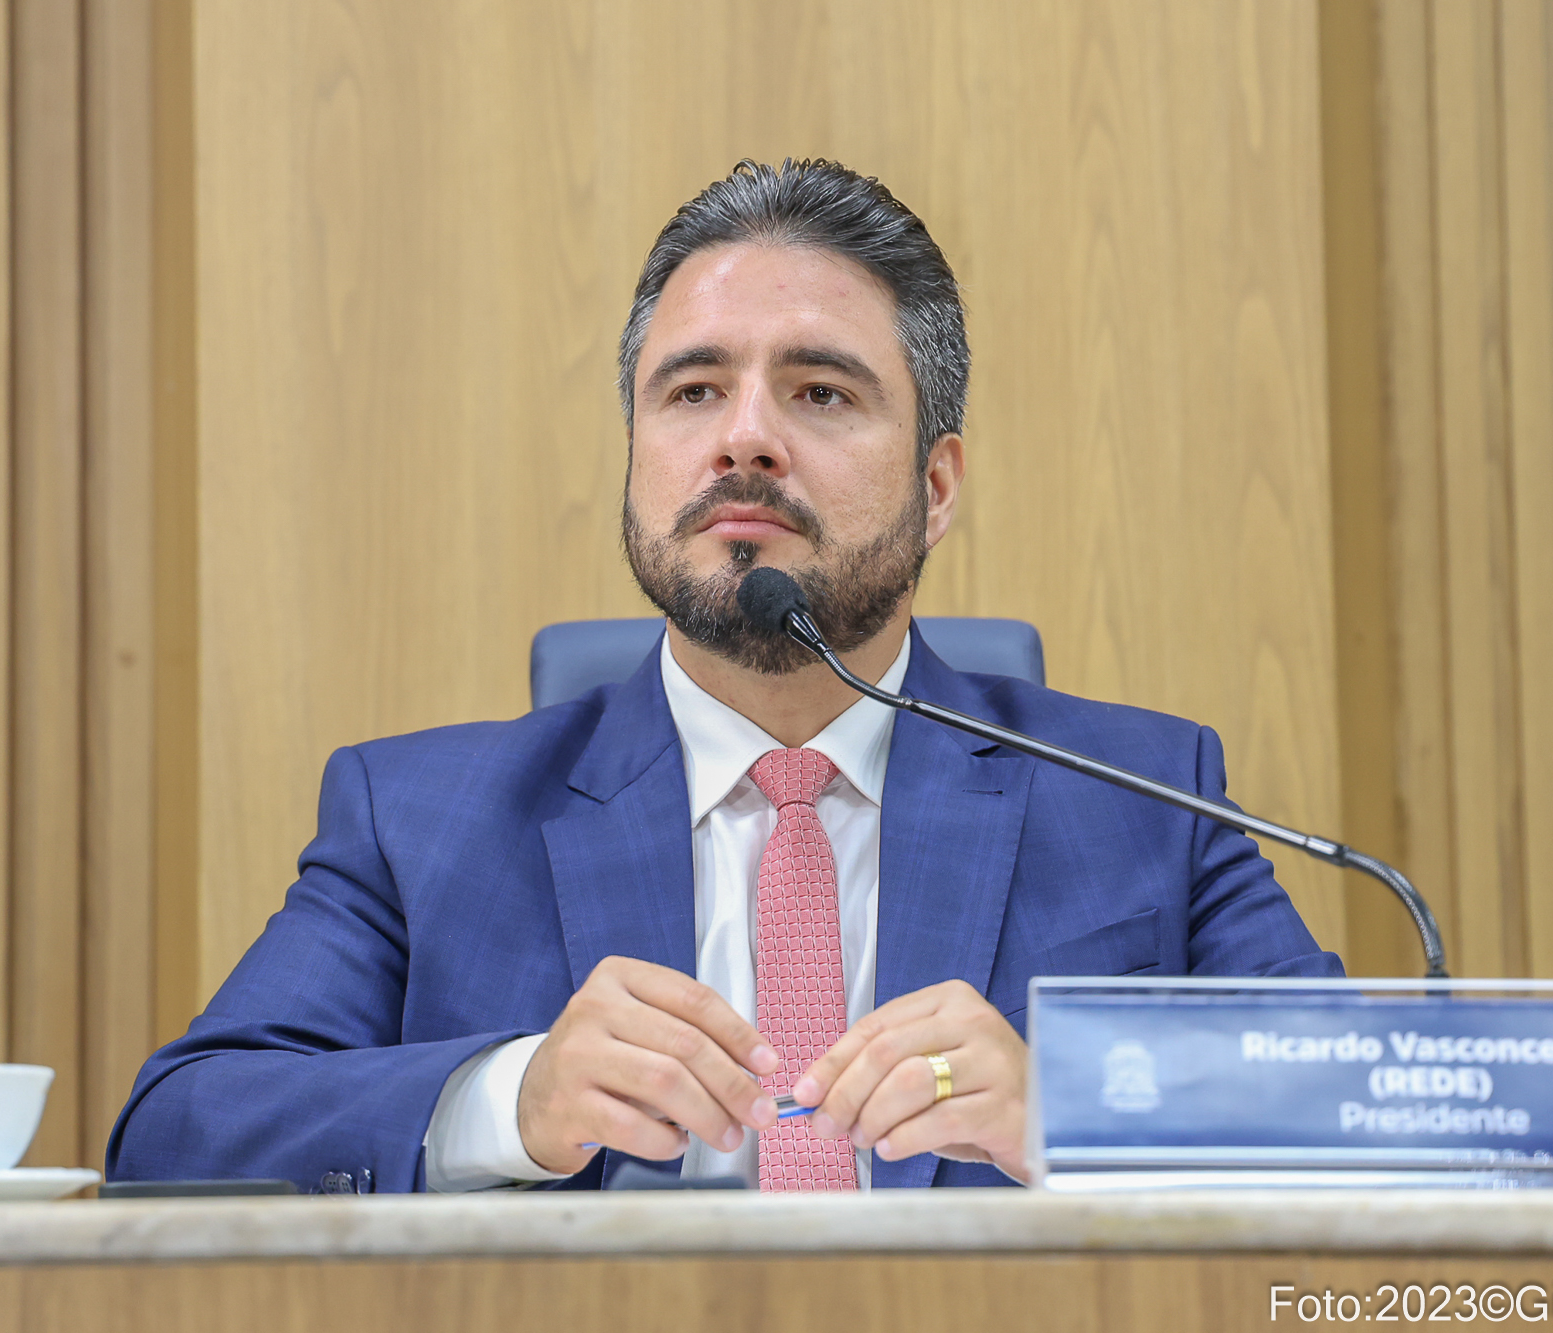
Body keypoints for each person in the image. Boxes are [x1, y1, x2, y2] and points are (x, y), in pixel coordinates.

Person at [107, 159, 1342, 1195]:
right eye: (693, 390)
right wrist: (508, 1098)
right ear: (637, 456)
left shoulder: (1141, 798)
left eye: (819, 391)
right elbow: (176, 1132)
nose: (743, 437)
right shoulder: (418, 822)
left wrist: (1077, 1106)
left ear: (935, 487)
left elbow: (1376, 1099)